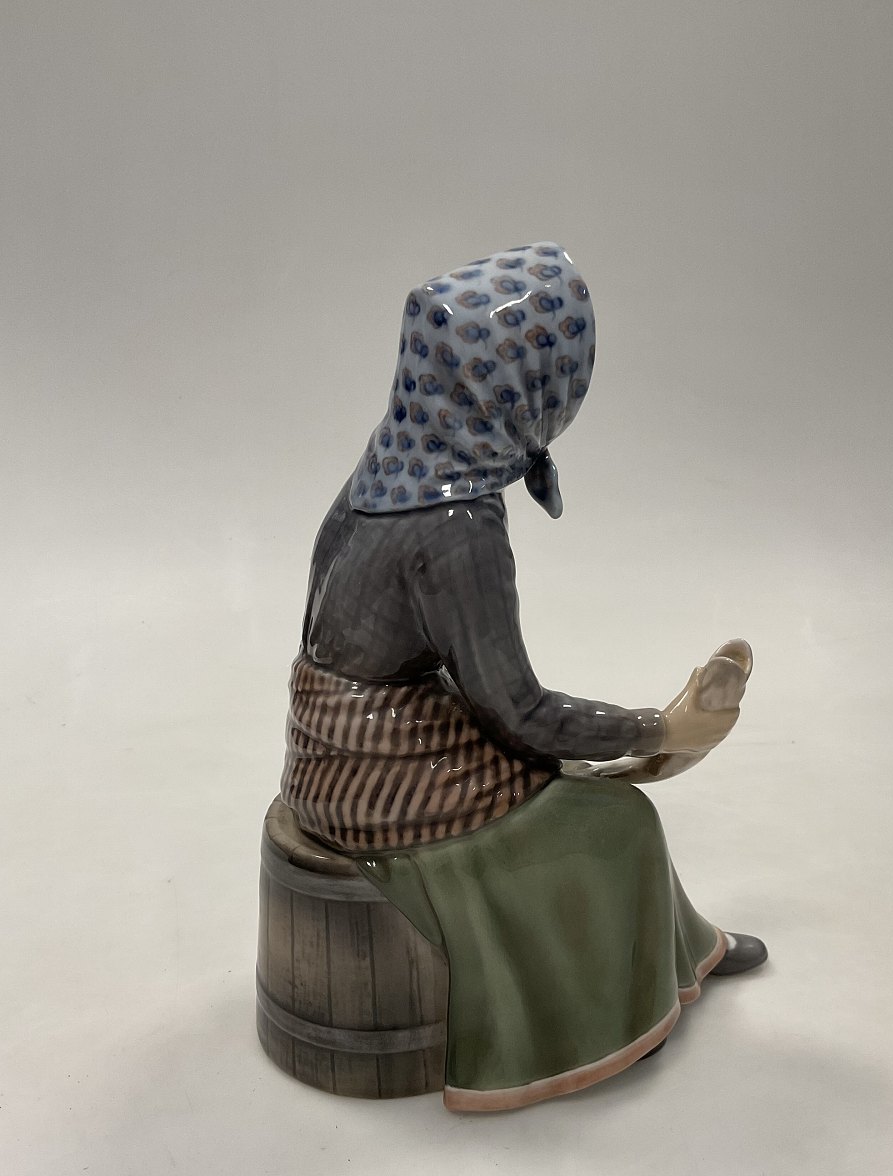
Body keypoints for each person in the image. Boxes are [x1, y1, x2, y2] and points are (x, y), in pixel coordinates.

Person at [281, 242, 766, 1113]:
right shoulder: (456, 525)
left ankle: (685, 952)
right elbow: (520, 712)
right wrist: (658, 729)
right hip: (372, 770)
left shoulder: (391, 464)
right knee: (615, 819)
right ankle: (589, 1022)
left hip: (326, 737)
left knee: (574, 783)